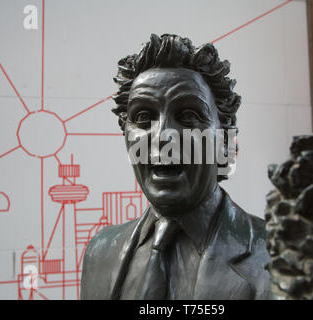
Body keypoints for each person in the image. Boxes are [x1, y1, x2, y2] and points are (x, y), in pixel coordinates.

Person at [80, 34, 271, 300]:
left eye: (189, 116)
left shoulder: (278, 254)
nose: (162, 137)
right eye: (143, 117)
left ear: (225, 142)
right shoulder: (100, 251)